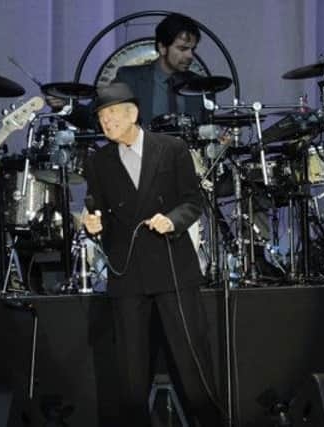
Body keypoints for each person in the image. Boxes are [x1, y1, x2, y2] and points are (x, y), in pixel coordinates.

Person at [83, 82, 221, 426]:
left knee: (192, 366)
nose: (106, 122)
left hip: (172, 265)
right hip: (127, 274)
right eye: (101, 117)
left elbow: (193, 201)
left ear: (133, 113)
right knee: (131, 376)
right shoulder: (98, 161)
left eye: (112, 113)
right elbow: (94, 205)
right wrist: (91, 223)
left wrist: (172, 220)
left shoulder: (171, 148)